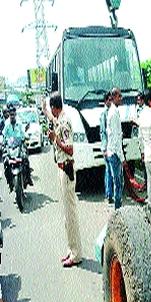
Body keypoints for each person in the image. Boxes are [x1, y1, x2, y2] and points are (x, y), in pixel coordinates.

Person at [42, 92, 82, 268]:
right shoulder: (59, 118)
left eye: (51, 108)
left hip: (66, 170)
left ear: (55, 107)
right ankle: (71, 248)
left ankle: (76, 254)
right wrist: (45, 110)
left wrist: (55, 139)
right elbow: (52, 118)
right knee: (67, 216)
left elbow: (70, 149)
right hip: (62, 170)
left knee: (70, 215)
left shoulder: (64, 121)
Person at [2, 106, 33, 191]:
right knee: (5, 162)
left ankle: (28, 178)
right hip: (10, 147)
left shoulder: (19, 123)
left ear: (15, 114)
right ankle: (10, 182)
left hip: (19, 145)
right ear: (9, 114)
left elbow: (23, 133)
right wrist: (3, 142)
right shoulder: (7, 124)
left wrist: (24, 137)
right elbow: (4, 135)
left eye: (13, 114)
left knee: (25, 158)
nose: (12, 116)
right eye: (10, 114)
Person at [106, 87, 125, 209]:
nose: (121, 99)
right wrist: (122, 157)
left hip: (112, 152)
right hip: (115, 153)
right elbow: (116, 139)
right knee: (118, 183)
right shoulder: (114, 114)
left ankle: (118, 207)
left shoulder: (113, 112)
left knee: (117, 181)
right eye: (119, 96)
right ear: (113, 98)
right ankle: (118, 209)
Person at [100, 91, 114, 204]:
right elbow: (103, 133)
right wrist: (104, 148)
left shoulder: (113, 112)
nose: (110, 101)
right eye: (109, 99)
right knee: (109, 171)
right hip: (107, 147)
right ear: (105, 101)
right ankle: (109, 194)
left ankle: (109, 193)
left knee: (110, 171)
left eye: (111, 99)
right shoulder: (104, 114)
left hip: (113, 146)